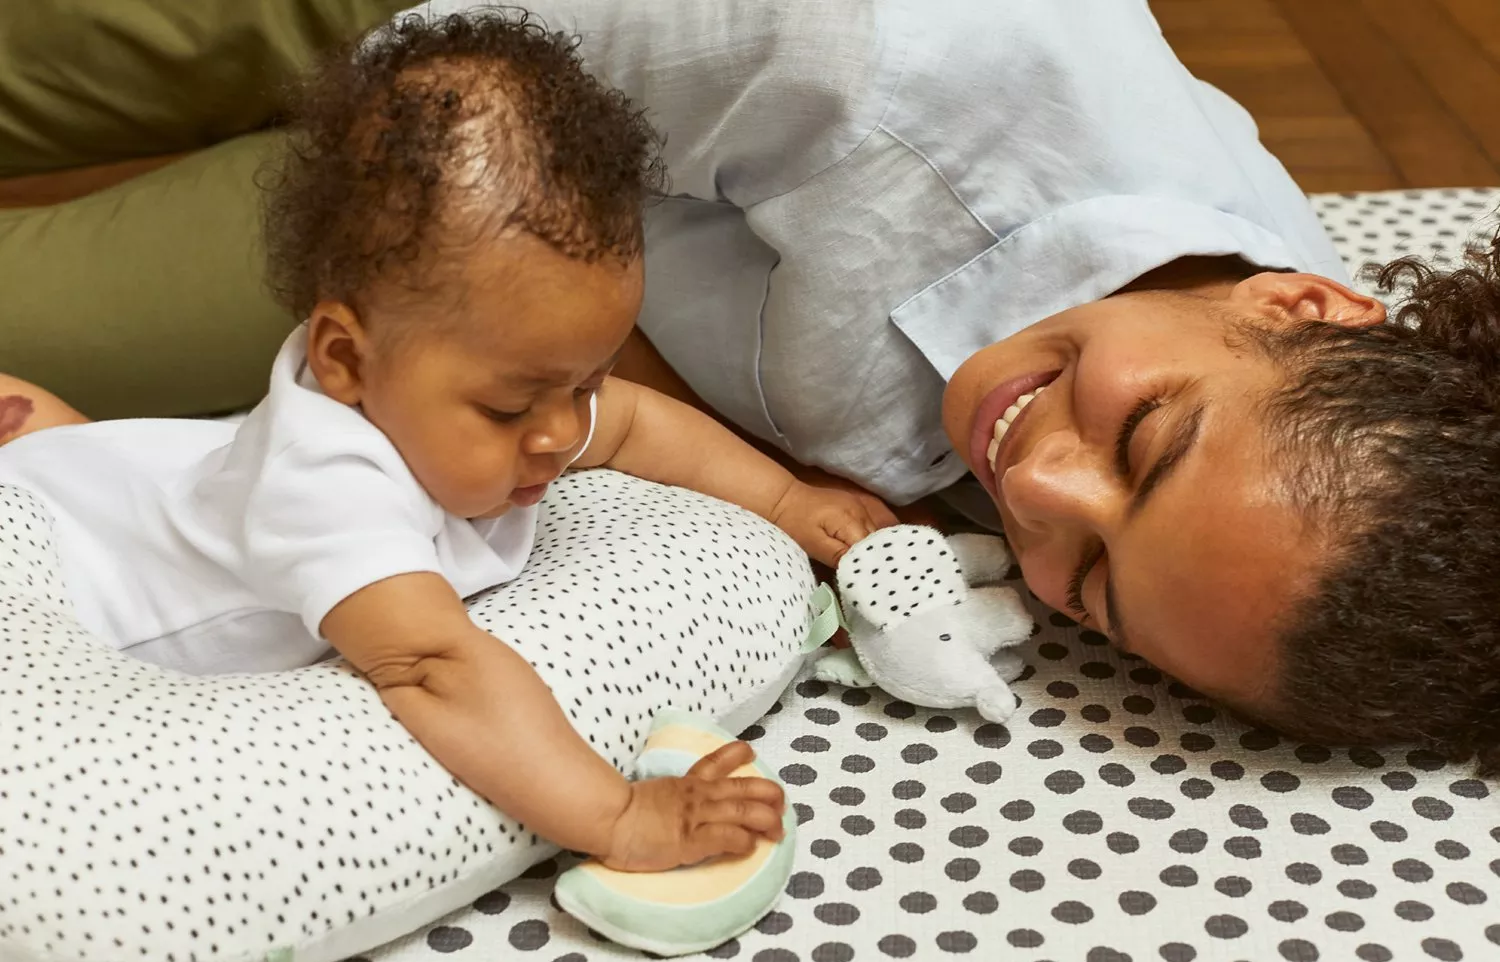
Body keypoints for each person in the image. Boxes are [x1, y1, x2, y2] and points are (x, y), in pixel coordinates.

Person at [407, 0, 1499, 769]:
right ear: (1297, 305)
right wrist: (755, 470)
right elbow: (434, 97)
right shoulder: (874, 59)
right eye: (1142, 440)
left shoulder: (1341, 427)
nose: (1034, 493)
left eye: (1095, 587)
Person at [0, 12, 898, 871]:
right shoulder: (325, 489)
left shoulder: (496, 394)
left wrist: (787, 501)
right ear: (347, 359)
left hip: (165, 482)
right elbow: (437, 668)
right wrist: (619, 816)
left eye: (579, 382)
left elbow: (629, 421)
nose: (558, 432)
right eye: (510, 410)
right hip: (58, 547)